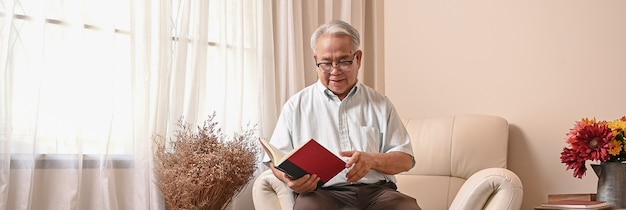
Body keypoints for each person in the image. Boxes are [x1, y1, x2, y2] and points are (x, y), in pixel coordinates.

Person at [266, 20, 421, 210]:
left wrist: (372, 159)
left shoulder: (380, 104)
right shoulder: (296, 106)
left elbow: (405, 160)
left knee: (406, 207)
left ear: (358, 59)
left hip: (378, 193)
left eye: (344, 61)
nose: (335, 71)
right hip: (321, 194)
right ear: (316, 60)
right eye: (326, 63)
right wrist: (288, 179)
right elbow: (276, 160)